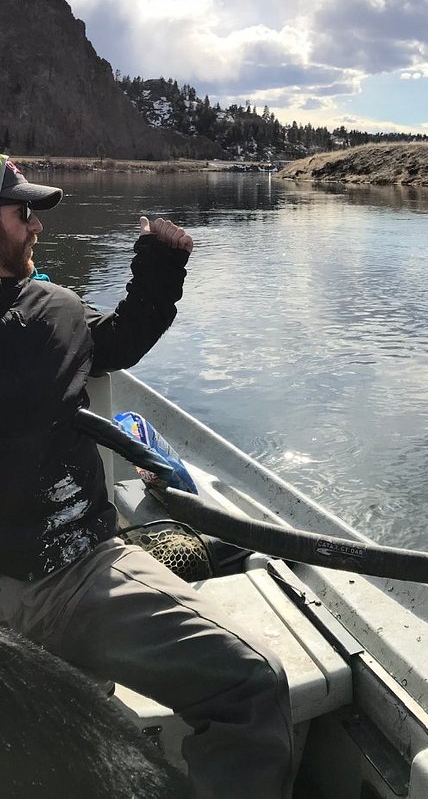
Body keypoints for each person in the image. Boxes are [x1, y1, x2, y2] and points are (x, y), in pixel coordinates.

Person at [0, 156, 294, 799]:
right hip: (66, 581)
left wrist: (158, 268)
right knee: (252, 685)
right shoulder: (51, 311)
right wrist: (160, 265)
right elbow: (112, 341)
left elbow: (111, 343)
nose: (35, 227)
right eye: (23, 213)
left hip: (49, 582)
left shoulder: (53, 313)